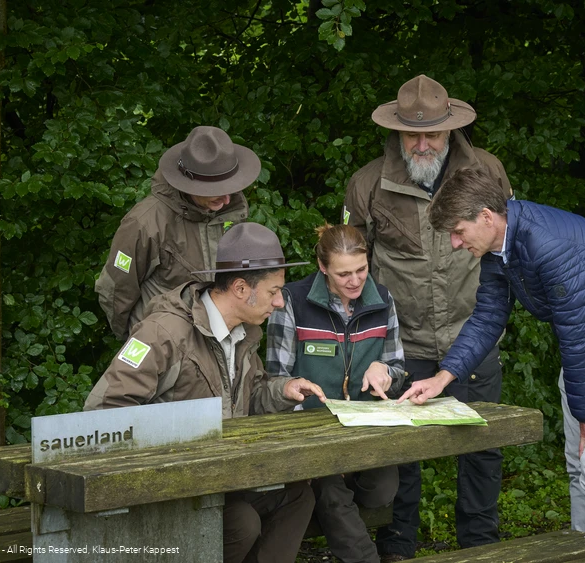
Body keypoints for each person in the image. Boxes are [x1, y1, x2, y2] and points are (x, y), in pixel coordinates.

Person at [401, 167, 585, 540]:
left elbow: (580, 334)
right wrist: (442, 378)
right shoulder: (498, 248)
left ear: (486, 217)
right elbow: (487, 318)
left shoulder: (551, 245)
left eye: (458, 231)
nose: (456, 243)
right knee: (578, 465)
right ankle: (583, 551)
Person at [85, 222, 327, 563]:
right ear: (241, 288)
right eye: (273, 291)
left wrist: (283, 391)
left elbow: (251, 395)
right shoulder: (163, 333)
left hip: (223, 478)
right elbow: (103, 411)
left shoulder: (245, 333)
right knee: (241, 523)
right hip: (171, 488)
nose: (279, 303)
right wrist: (174, 448)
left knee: (298, 496)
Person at [343, 74, 513, 560]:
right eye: (410, 135)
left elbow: (509, 244)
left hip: (473, 335)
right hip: (402, 345)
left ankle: (479, 547)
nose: (421, 145)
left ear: (450, 129)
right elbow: (350, 269)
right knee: (399, 453)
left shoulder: (488, 172)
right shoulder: (367, 183)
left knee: (481, 447)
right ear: (396, 131)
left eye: (432, 134)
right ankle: (398, 547)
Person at [266, 223, 406, 563]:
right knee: (329, 488)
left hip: (367, 433)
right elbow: (276, 382)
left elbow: (398, 369)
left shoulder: (382, 299)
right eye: (344, 274)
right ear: (323, 267)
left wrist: (385, 372)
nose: (355, 281)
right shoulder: (292, 302)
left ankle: (327, 504)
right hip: (313, 437)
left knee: (382, 489)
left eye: (362, 269)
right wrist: (322, 446)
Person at [96, 125, 253, 340]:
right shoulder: (145, 223)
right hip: (163, 344)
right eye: (216, 191)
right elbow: (116, 290)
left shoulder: (229, 211)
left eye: (230, 188)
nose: (227, 200)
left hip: (220, 344)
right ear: (189, 184)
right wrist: (137, 340)